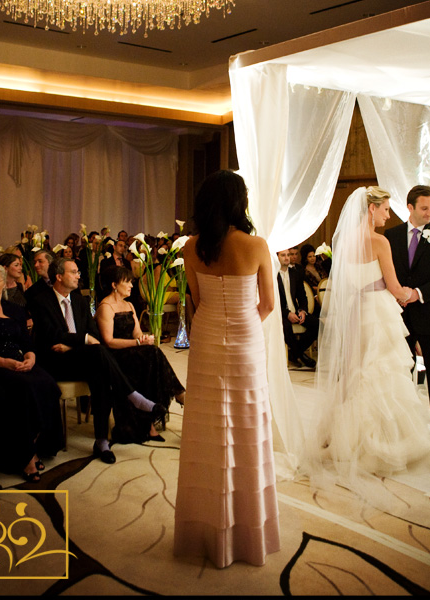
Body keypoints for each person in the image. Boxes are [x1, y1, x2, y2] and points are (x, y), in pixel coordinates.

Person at [304, 186, 430, 508]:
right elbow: (393, 286)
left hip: (355, 312)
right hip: (377, 312)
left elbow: (349, 284)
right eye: (384, 209)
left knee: (357, 372)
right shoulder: (380, 242)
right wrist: (411, 294)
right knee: (382, 373)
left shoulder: (345, 243)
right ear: (371, 209)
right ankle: (382, 444)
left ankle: (345, 440)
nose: (388, 215)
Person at [174, 170, 280, 569]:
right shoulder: (256, 245)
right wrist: (241, 323)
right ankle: (245, 530)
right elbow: (268, 303)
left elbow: (196, 301)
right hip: (246, 338)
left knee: (208, 426)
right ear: (239, 202)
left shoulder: (192, 247)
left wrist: (218, 323)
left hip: (206, 338)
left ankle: (203, 528)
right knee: (246, 424)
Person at [27, 257, 166, 458]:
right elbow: (51, 335)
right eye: (73, 272)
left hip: (80, 357)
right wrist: (81, 340)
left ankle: (101, 441)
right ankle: (133, 396)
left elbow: (95, 335)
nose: (78, 275)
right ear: (59, 276)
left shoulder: (79, 300)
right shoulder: (41, 300)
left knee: (101, 373)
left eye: (78, 272)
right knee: (99, 353)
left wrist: (74, 344)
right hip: (55, 362)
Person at [0, 262, 63, 482]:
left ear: (3, 282)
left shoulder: (15, 310)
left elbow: (27, 343)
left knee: (49, 385)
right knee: (24, 390)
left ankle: (36, 445)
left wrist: (30, 358)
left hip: (18, 363)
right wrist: (5, 363)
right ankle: (26, 456)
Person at [384, 185, 430, 456]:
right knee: (399, 374)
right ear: (410, 207)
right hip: (399, 317)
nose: (429, 213)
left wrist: (418, 293)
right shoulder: (390, 236)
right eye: (424, 208)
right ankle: (402, 429)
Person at [96, 265, 186, 442]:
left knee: (151, 355)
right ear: (114, 285)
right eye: (127, 282)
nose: (131, 285)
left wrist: (143, 339)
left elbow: (137, 332)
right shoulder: (105, 307)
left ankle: (149, 423)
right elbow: (109, 341)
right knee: (150, 356)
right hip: (115, 356)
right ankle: (178, 393)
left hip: (133, 352)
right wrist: (136, 343)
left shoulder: (129, 304)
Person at [276, 249, 318, 369]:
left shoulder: (295, 273)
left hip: (296, 311)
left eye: (288, 255)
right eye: (283, 255)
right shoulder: (273, 275)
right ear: (277, 257)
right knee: (286, 327)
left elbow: (302, 296)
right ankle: (301, 356)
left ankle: (294, 354)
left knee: (317, 325)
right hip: (281, 313)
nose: (287, 258)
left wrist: (302, 311)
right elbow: (274, 301)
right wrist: (288, 314)